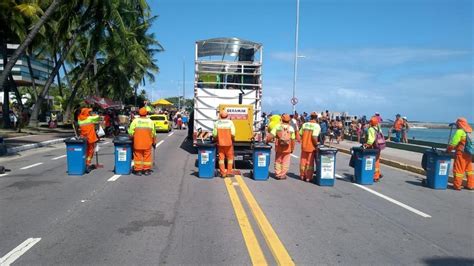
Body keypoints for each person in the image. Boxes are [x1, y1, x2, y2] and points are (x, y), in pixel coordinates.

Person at [447, 118, 473, 190]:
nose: (456, 126)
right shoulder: (470, 131)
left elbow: (453, 143)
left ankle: (457, 186)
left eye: (457, 124)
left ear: (459, 124)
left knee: (458, 170)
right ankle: (471, 185)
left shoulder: (460, 132)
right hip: (469, 154)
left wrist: (448, 150)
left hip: (461, 154)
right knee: (469, 171)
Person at [128, 107, 156, 176]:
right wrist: (154, 142)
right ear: (146, 113)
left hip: (137, 143)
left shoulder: (135, 121)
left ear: (139, 113)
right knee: (147, 156)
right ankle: (146, 170)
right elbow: (154, 134)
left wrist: (131, 138)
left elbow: (130, 132)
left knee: (137, 156)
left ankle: (138, 170)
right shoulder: (150, 121)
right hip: (147, 143)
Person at [266, 114, 296, 180]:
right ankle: (283, 175)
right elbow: (293, 139)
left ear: (281, 119)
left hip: (279, 147)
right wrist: (292, 148)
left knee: (278, 161)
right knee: (286, 162)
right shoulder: (291, 128)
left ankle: (278, 174)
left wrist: (266, 142)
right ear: (289, 120)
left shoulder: (278, 126)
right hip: (287, 148)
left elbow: (271, 136)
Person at [213, 110, 236, 177]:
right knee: (230, 158)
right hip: (229, 144)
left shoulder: (217, 123)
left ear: (220, 116)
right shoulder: (230, 122)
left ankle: (223, 173)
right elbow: (233, 133)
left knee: (221, 159)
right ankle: (229, 172)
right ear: (227, 116)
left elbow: (214, 134)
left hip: (220, 144)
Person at [299, 112, 320, 182]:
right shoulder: (316, 126)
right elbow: (314, 137)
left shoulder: (305, 125)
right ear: (316, 117)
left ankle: (302, 175)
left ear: (310, 117)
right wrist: (316, 145)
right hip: (311, 147)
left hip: (304, 146)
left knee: (303, 161)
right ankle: (308, 177)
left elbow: (300, 134)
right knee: (309, 163)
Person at [78, 108, 100, 172]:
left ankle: (84, 162)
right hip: (90, 137)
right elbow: (97, 117)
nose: (90, 113)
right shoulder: (90, 118)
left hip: (83, 137)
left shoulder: (79, 119)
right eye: (89, 112)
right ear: (86, 113)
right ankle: (88, 162)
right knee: (90, 151)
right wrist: (94, 115)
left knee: (85, 150)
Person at [364, 116, 383, 182]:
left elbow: (371, 139)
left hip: (373, 147)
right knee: (377, 160)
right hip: (379, 146)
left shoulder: (371, 129)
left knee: (373, 161)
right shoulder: (378, 128)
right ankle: (378, 173)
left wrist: (367, 145)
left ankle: (375, 176)